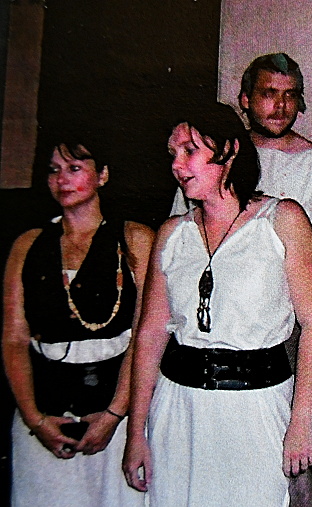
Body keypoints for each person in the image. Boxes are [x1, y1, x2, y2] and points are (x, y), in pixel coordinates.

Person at [122, 102, 312, 506]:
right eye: (173, 154)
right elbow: (149, 335)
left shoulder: (282, 220)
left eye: (190, 150)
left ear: (230, 150)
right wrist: (136, 432)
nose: (177, 165)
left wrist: (302, 421)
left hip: (257, 408)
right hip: (177, 408)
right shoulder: (171, 234)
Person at [172, 55, 312, 503]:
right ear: (245, 99)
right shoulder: (209, 156)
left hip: (287, 329)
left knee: (286, 455)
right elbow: (180, 246)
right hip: (214, 330)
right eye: (269, 94)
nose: (280, 106)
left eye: (290, 96)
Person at [2, 136, 153, 506]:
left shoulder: (134, 239)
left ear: (103, 175)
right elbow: (14, 339)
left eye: (74, 168)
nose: (62, 179)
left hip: (116, 419)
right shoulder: (28, 245)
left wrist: (114, 415)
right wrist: (35, 421)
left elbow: (145, 338)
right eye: (54, 170)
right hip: (46, 422)